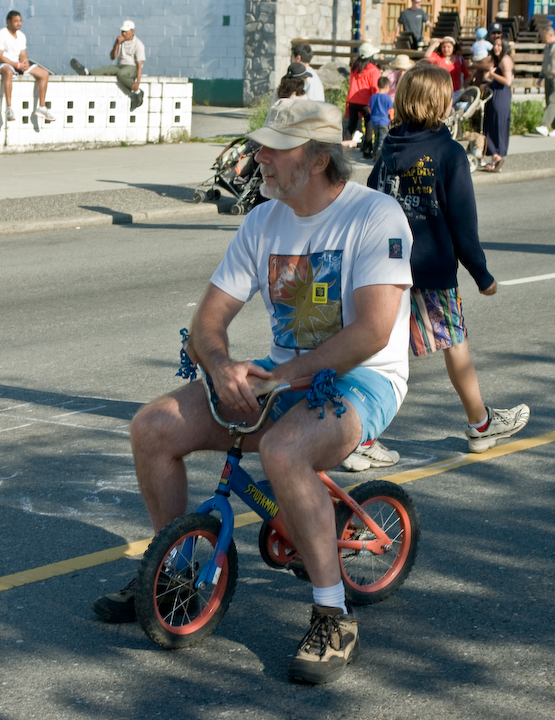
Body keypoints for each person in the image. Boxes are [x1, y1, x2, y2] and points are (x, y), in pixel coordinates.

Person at [91, 98, 414, 685]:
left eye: (273, 147)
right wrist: (221, 368)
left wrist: (276, 379)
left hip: (363, 377)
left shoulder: (376, 216)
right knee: (152, 427)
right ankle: (178, 572)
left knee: (284, 452)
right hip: (284, 371)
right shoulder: (262, 220)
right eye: (259, 143)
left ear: (317, 160)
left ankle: (332, 615)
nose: (257, 156)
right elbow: (208, 323)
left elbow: (371, 331)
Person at [365, 64, 529, 462]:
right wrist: (482, 274)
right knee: (454, 344)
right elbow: (463, 223)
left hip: (387, 269)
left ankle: (360, 438)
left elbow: (371, 198)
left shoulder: (389, 148)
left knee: (377, 352)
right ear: (442, 103)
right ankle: (481, 424)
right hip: (433, 269)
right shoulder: (449, 152)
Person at [0, 10, 55, 122]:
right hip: (3, 64)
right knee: (9, 72)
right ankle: (9, 108)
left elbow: (23, 54)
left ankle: (41, 107)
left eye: (20, 21)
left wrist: (24, 63)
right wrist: (16, 64)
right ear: (8, 21)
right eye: (16, 21)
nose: (19, 23)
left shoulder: (21, 36)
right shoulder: (1, 34)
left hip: (18, 64)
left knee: (44, 74)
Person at [70, 20, 145, 111]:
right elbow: (112, 57)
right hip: (120, 65)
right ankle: (87, 72)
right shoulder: (120, 41)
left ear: (132, 31)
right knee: (106, 69)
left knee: (121, 74)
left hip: (131, 67)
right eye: (122, 31)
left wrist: (137, 82)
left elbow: (139, 65)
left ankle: (138, 91)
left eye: (126, 31)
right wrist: (117, 44)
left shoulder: (138, 44)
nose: (123, 34)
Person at [482, 37, 514, 172]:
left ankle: (498, 156)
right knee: (491, 125)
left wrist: (492, 74)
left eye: (499, 45)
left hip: (501, 96)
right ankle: (495, 158)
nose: (496, 47)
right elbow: (488, 77)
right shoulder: (497, 60)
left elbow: (507, 81)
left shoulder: (505, 59)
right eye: (495, 44)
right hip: (495, 94)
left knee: (498, 125)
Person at [344, 42, 381, 158]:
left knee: (351, 126)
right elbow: (374, 87)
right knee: (369, 125)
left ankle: (344, 149)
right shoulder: (373, 70)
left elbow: (351, 82)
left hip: (353, 99)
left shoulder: (354, 67)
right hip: (367, 102)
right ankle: (366, 151)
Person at [425, 36, 470, 100]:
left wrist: (466, 91)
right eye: (444, 47)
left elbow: (466, 76)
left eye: (448, 47)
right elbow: (426, 56)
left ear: (453, 47)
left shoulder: (460, 59)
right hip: (441, 92)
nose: (446, 49)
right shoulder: (437, 58)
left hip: (456, 92)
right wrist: (437, 42)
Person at [369, 76, 393, 163]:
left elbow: (370, 109)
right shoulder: (387, 98)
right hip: (384, 121)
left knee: (376, 138)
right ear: (387, 86)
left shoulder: (373, 97)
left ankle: (374, 154)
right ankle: (379, 156)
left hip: (374, 121)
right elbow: (390, 111)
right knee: (382, 140)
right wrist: (392, 120)